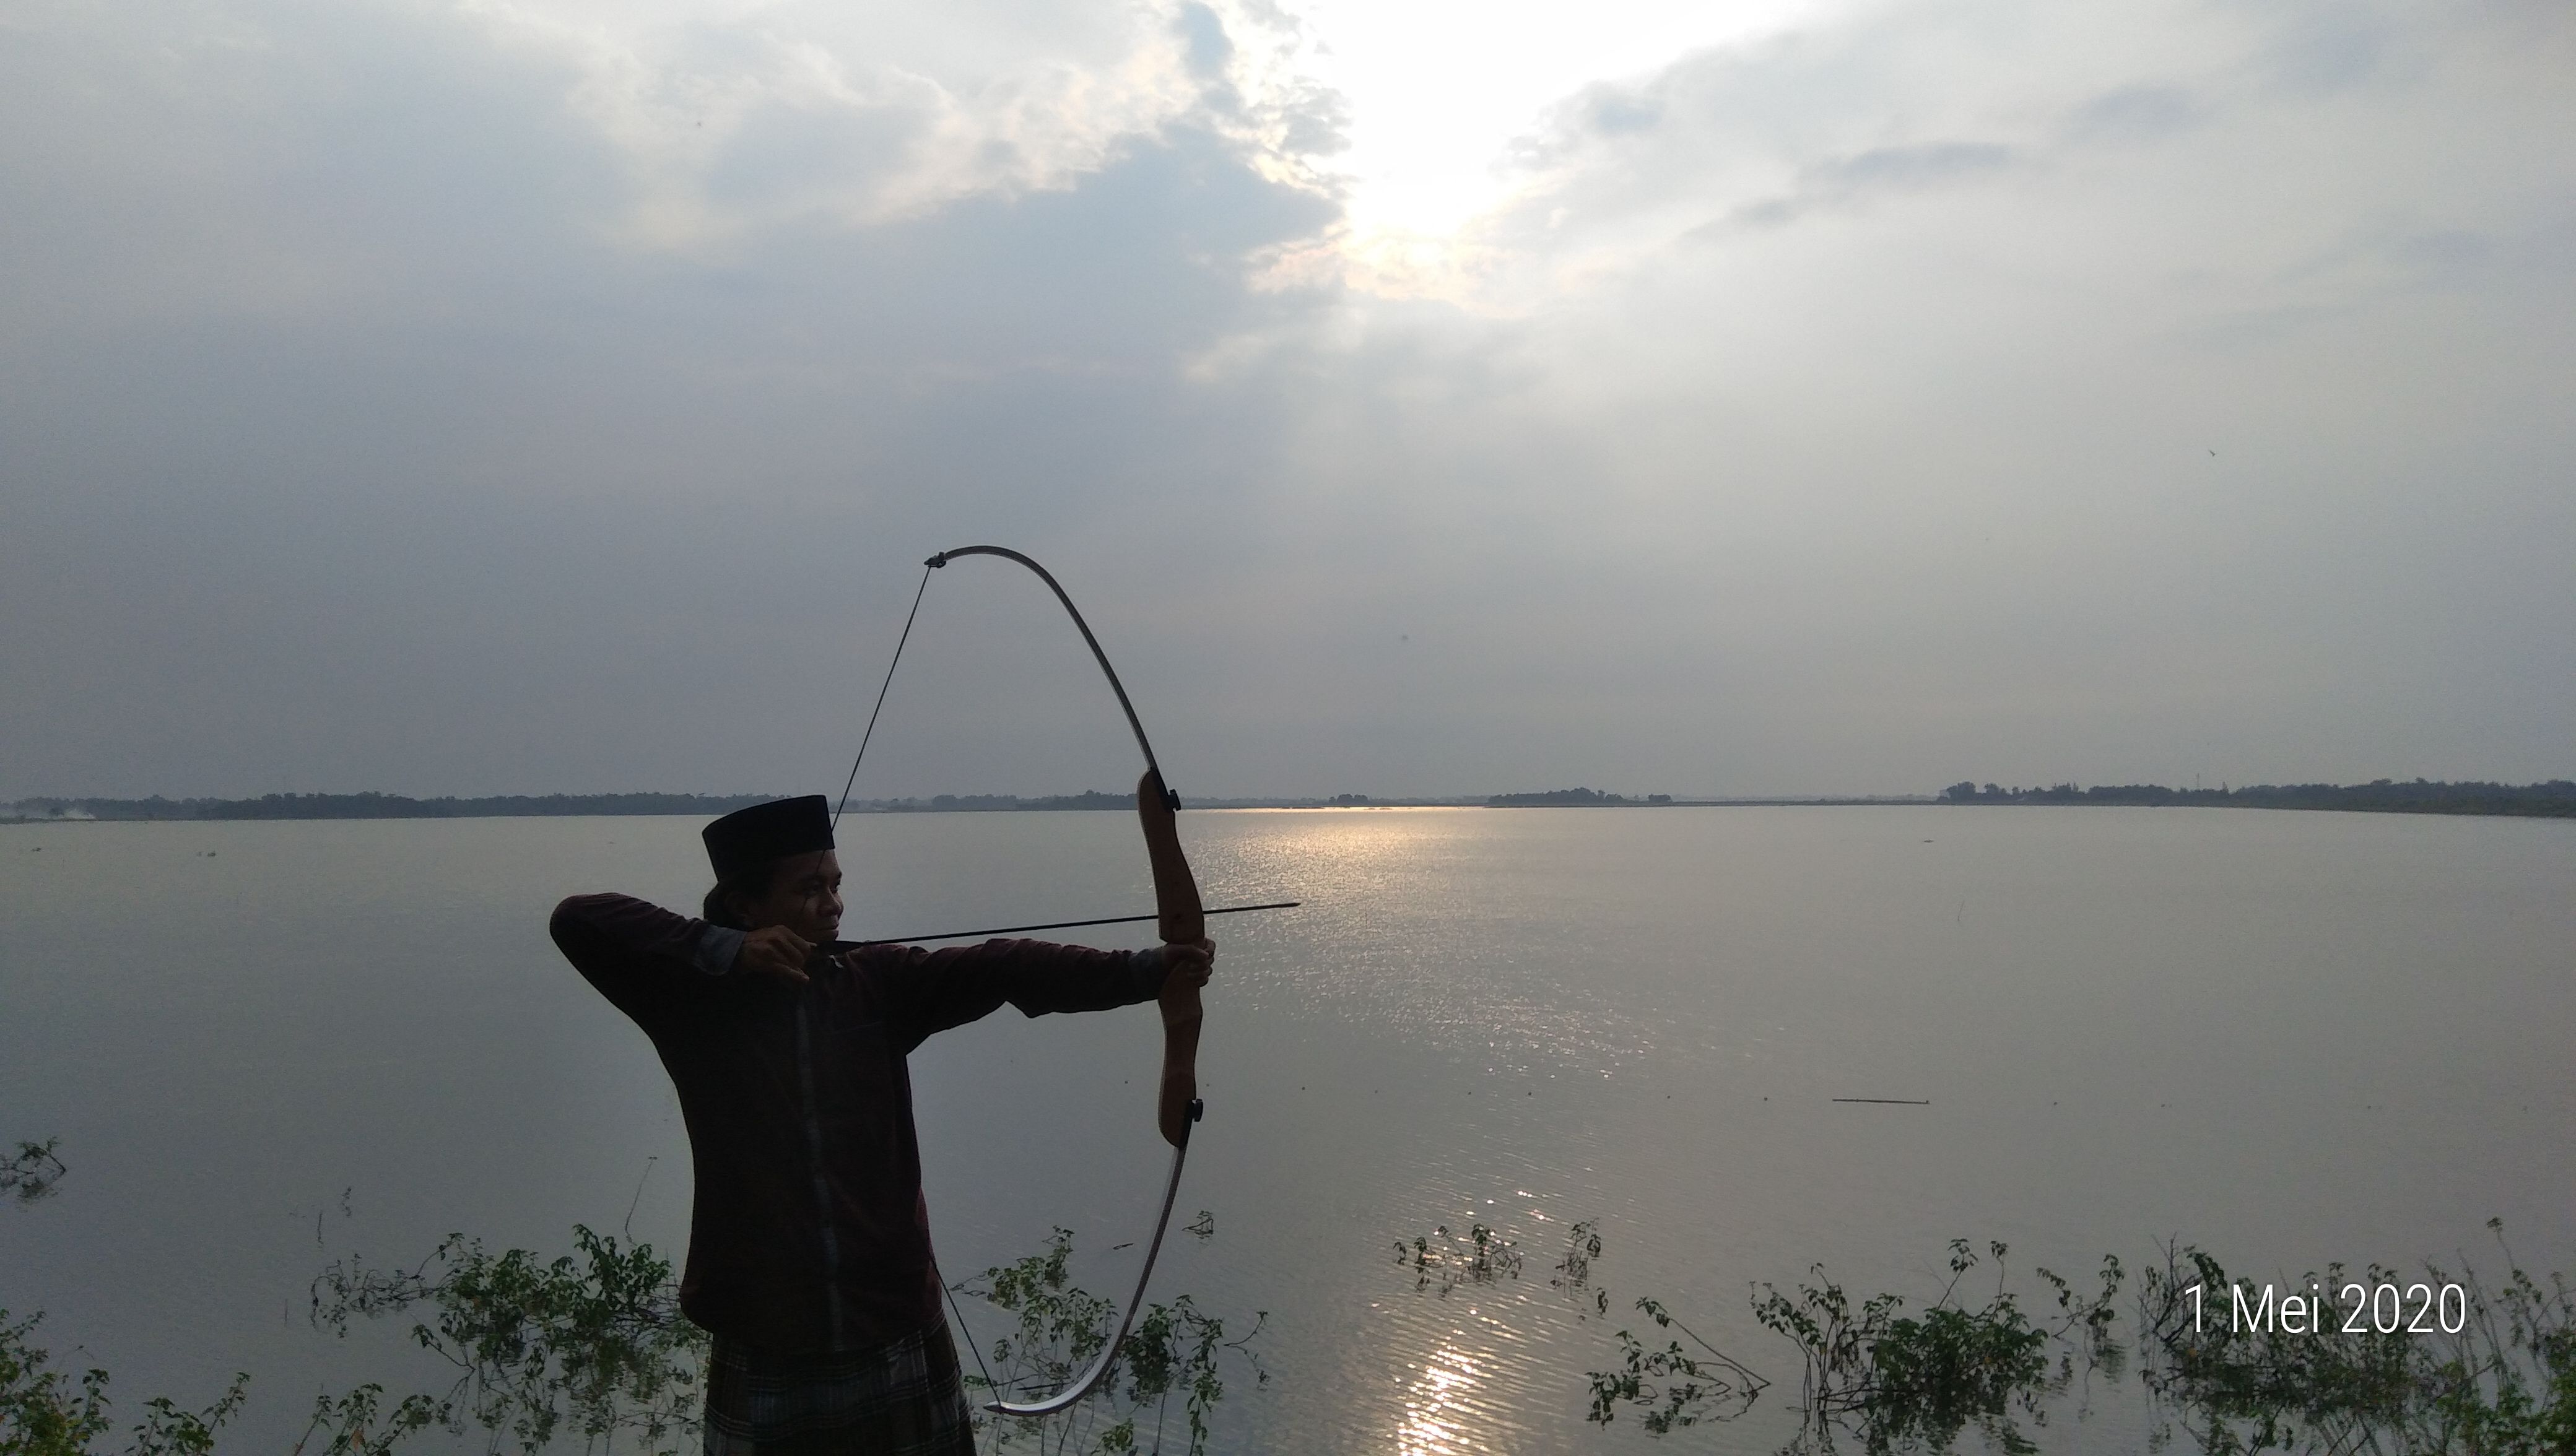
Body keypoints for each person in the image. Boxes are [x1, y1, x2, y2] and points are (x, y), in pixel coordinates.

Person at [549, 794, 1214, 1456]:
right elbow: (578, 919)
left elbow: (1006, 966)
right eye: (809, 888)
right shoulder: (691, 1001)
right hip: (767, 1331)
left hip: (891, 1323)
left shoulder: (877, 983)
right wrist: (725, 951)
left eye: (836, 885)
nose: (833, 904)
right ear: (745, 907)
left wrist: (1147, 971)